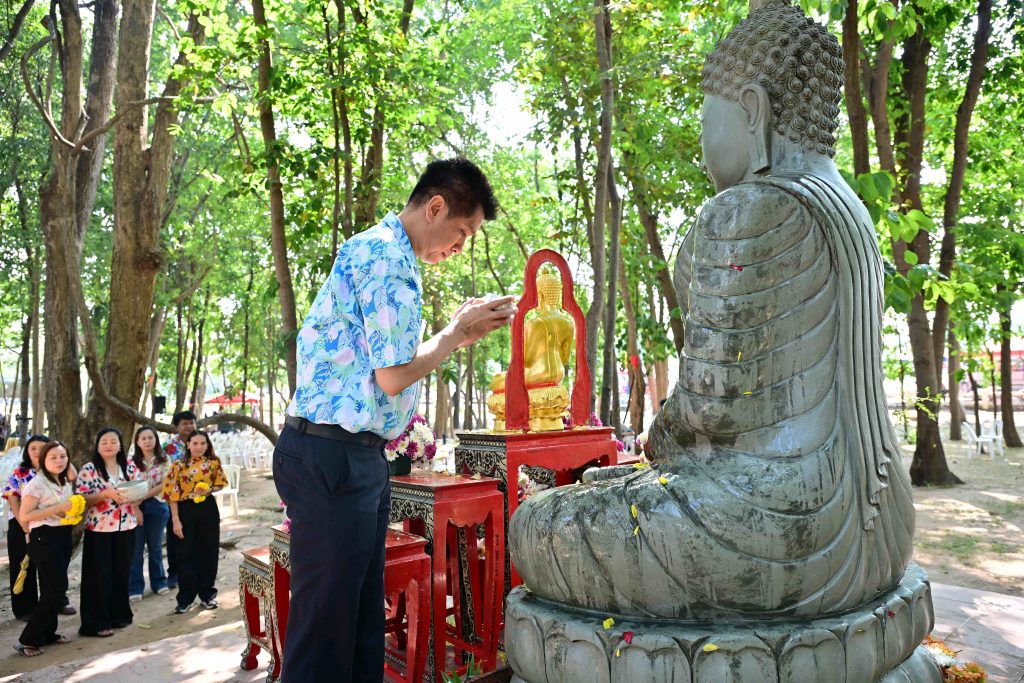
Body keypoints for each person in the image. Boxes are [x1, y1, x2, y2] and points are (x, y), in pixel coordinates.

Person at [274, 157, 513, 682]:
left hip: (352, 456)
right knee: (326, 634)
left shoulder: (388, 254)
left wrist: (454, 333)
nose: (460, 247)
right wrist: (456, 334)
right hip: (334, 456)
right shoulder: (385, 256)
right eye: (463, 231)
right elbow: (392, 376)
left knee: (359, 624)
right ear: (435, 207)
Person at [14, 441, 77, 657]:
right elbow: (25, 515)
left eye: (63, 456)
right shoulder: (36, 484)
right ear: (43, 460)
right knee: (57, 588)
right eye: (53, 457)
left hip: (62, 535)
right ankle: (27, 639)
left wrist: (64, 511)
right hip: (43, 538)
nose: (59, 461)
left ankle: (48, 634)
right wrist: (58, 508)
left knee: (51, 587)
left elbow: (72, 477)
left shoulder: (62, 480)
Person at [76, 428, 140, 637]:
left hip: (126, 526)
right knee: (98, 576)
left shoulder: (130, 466)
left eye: (113, 441)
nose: (109, 445)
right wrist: (105, 494)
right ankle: (96, 623)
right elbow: (81, 499)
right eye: (104, 442)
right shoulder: (88, 469)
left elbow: (141, 491)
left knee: (121, 572)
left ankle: (119, 615)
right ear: (97, 446)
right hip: (99, 528)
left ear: (120, 445)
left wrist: (134, 498)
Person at [162, 430, 227, 613]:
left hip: (207, 508)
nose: (199, 447)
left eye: (203, 443)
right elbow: (171, 495)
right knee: (185, 553)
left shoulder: (213, 462)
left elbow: (220, 483)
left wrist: (209, 489)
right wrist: (176, 520)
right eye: (195, 443)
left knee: (209, 550)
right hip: (184, 510)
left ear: (207, 445)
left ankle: (207, 595)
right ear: (188, 444)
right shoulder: (178, 465)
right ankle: (186, 598)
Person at [3, 435, 48, 621]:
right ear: (27, 452)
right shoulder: (20, 472)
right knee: (22, 564)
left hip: (48, 523)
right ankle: (24, 609)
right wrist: (23, 523)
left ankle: (53, 603)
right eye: (33, 448)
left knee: (49, 565)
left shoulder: (54, 470)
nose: (37, 452)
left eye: (42, 448)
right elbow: (12, 497)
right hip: (21, 523)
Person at [128, 426, 171, 601]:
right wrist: (135, 507)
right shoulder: (130, 462)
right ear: (137, 442)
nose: (147, 441)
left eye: (150, 438)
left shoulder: (164, 459)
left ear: (156, 439)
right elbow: (128, 485)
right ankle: (135, 587)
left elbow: (164, 484)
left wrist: (143, 497)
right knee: (136, 549)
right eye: (143, 438)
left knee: (155, 547)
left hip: (157, 504)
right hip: (135, 507)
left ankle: (159, 582)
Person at [162, 410, 196, 590]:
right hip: (174, 499)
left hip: (196, 498)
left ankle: (193, 571)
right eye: (184, 423)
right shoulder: (168, 446)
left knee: (195, 535)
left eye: (191, 423)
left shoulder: (200, 442)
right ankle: (173, 573)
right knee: (174, 535)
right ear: (177, 427)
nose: (189, 426)